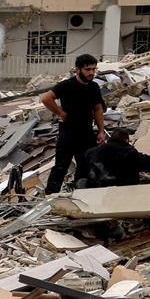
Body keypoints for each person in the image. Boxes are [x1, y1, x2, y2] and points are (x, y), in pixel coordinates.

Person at [41, 54, 106, 194]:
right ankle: (50, 197)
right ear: (78, 70)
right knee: (61, 167)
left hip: (87, 133)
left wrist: (101, 131)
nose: (91, 73)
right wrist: (60, 112)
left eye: (93, 69)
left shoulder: (94, 87)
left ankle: (80, 195)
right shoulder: (67, 85)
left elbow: (98, 109)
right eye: (87, 69)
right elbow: (46, 98)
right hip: (68, 133)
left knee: (85, 166)